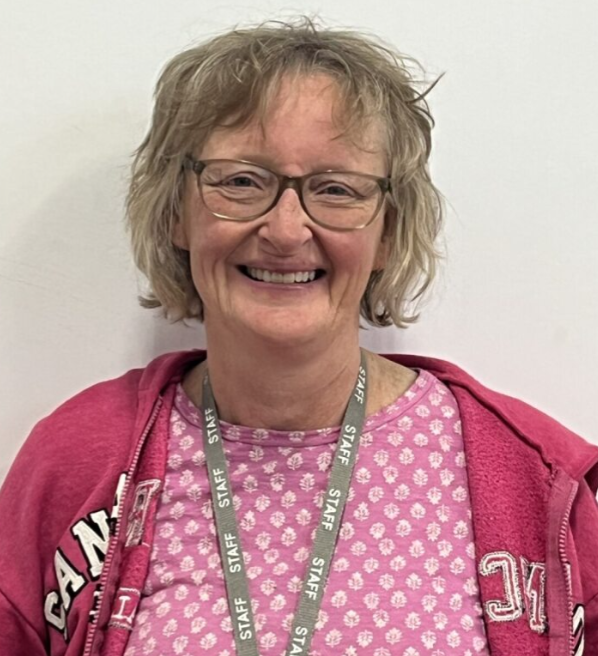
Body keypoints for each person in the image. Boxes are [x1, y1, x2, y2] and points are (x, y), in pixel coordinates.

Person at [1, 17, 597, 656]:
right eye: (240, 181)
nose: (286, 231)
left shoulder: (537, 477)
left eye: (336, 189)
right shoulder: (74, 461)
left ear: (388, 232)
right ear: (177, 210)